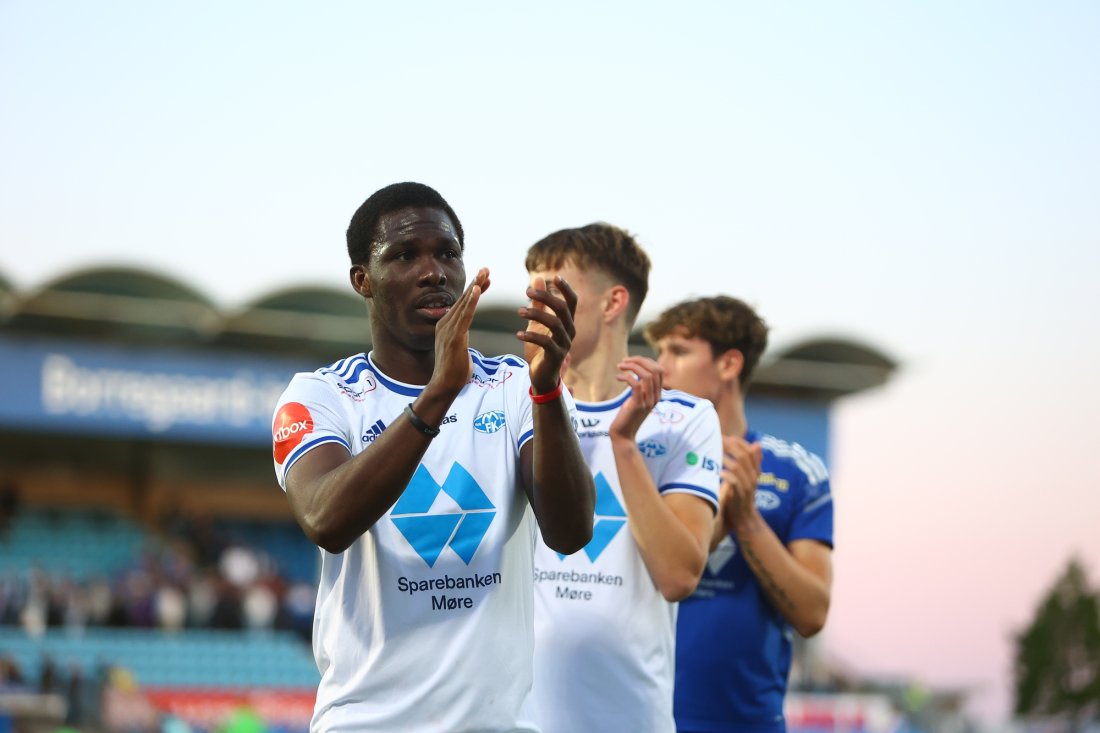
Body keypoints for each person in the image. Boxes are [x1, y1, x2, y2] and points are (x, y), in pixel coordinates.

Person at [271, 182, 595, 733]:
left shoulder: (514, 386)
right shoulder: (320, 397)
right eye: (403, 255)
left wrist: (546, 392)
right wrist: (437, 395)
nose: (433, 271)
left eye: (447, 253)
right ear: (362, 280)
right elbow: (326, 519)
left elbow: (570, 532)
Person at [521, 224, 722, 733]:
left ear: (613, 303)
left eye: (555, 293)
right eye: (532, 294)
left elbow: (679, 576)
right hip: (517, 719)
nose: (537, 308)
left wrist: (624, 445)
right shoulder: (513, 404)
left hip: (631, 719)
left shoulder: (685, 418)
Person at [645, 296, 834, 733]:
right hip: (640, 714)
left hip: (747, 723)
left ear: (729, 364)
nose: (661, 366)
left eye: (678, 351)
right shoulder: (639, 457)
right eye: (659, 352)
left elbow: (812, 614)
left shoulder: (797, 472)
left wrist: (747, 520)